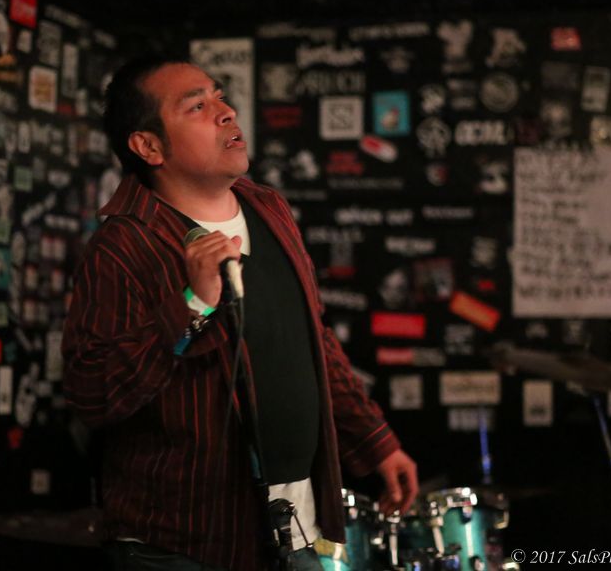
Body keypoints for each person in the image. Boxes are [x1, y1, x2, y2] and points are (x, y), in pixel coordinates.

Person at [62, 55, 418, 571]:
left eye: (220, 97)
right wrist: (193, 303)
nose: (226, 112)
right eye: (197, 107)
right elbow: (91, 392)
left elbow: (311, 339)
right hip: (179, 545)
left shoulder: (269, 209)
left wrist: (375, 442)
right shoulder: (122, 246)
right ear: (149, 146)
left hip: (295, 528)